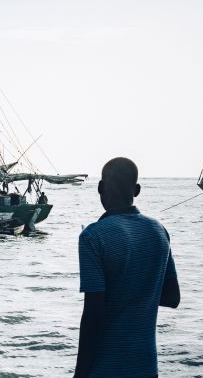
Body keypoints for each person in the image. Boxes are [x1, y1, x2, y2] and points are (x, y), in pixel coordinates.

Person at [75, 158, 180, 378]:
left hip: (105, 370)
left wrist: (79, 375)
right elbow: (172, 297)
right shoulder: (159, 231)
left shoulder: (93, 237)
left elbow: (93, 315)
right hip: (146, 368)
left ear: (100, 188)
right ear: (137, 190)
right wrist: (138, 289)